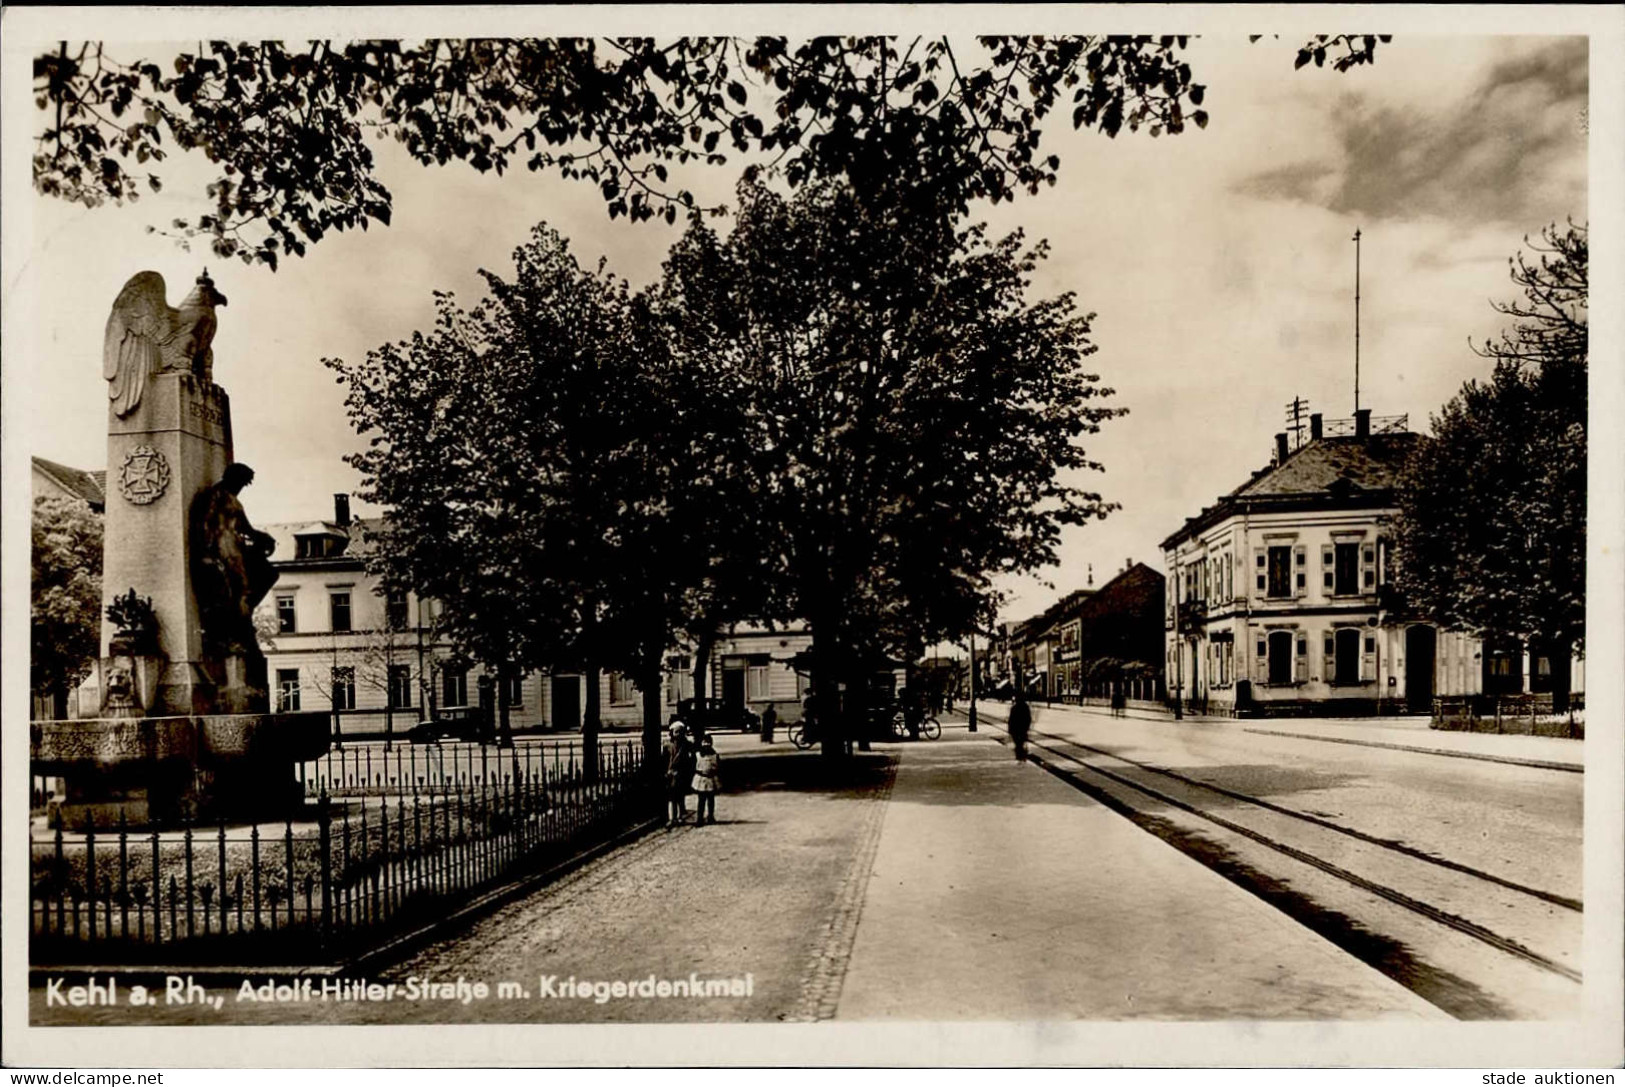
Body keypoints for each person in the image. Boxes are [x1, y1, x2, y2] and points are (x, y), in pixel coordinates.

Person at [663, 722, 695, 827]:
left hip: (682, 774)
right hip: (670, 774)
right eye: (676, 732)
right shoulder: (667, 746)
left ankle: (681, 816)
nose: (678, 735)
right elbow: (664, 760)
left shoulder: (687, 745)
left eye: (681, 732)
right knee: (671, 797)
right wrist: (666, 771)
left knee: (680, 796)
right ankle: (672, 818)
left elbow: (691, 760)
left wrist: (689, 772)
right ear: (671, 733)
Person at [691, 736, 721, 825]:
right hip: (701, 779)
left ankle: (710, 816)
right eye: (704, 742)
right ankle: (700, 818)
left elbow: (719, 767)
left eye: (708, 742)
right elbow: (693, 767)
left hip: (711, 779)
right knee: (701, 800)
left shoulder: (715, 755)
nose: (706, 744)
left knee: (711, 799)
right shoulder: (697, 755)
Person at [1007, 690, 1032, 762]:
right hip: (1023, 729)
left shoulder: (1014, 708)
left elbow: (1011, 720)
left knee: (1018, 743)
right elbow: (1028, 718)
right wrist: (1027, 727)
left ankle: (1019, 756)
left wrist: (1010, 730)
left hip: (1015, 730)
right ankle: (1022, 756)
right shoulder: (1026, 707)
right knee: (1021, 742)